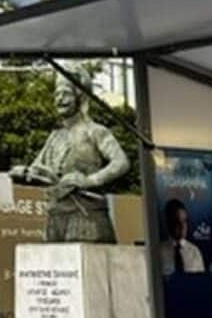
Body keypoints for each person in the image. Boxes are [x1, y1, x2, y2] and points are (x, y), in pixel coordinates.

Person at [10, 65, 130, 243]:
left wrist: (90, 180)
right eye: (57, 94)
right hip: (56, 215)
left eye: (65, 94)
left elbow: (121, 162)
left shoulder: (95, 131)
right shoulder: (55, 137)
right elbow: (38, 168)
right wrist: (26, 173)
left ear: (79, 97)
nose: (60, 99)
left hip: (86, 214)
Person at [160, 199, 205, 275]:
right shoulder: (159, 252)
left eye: (184, 221)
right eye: (178, 222)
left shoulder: (194, 251)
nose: (182, 226)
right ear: (169, 223)